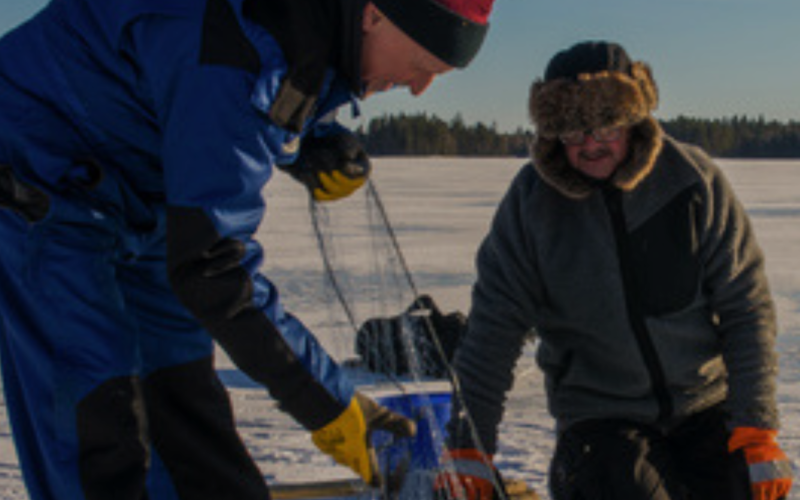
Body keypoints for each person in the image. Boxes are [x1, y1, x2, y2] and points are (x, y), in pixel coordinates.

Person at [0, 0, 496, 498]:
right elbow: (215, 270)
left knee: (182, 390)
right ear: (373, 13)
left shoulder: (305, 26)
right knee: (96, 410)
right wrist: (331, 405)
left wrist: (310, 136)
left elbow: (251, 78)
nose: (419, 87)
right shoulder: (235, 48)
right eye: (423, 63)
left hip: (141, 189)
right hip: (43, 178)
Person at [433, 41, 794, 500]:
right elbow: (492, 331)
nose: (588, 145)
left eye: (604, 125)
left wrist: (756, 428)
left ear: (632, 120)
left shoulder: (690, 180)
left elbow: (748, 309)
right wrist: (469, 447)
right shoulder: (531, 207)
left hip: (706, 405)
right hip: (601, 419)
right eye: (571, 131)